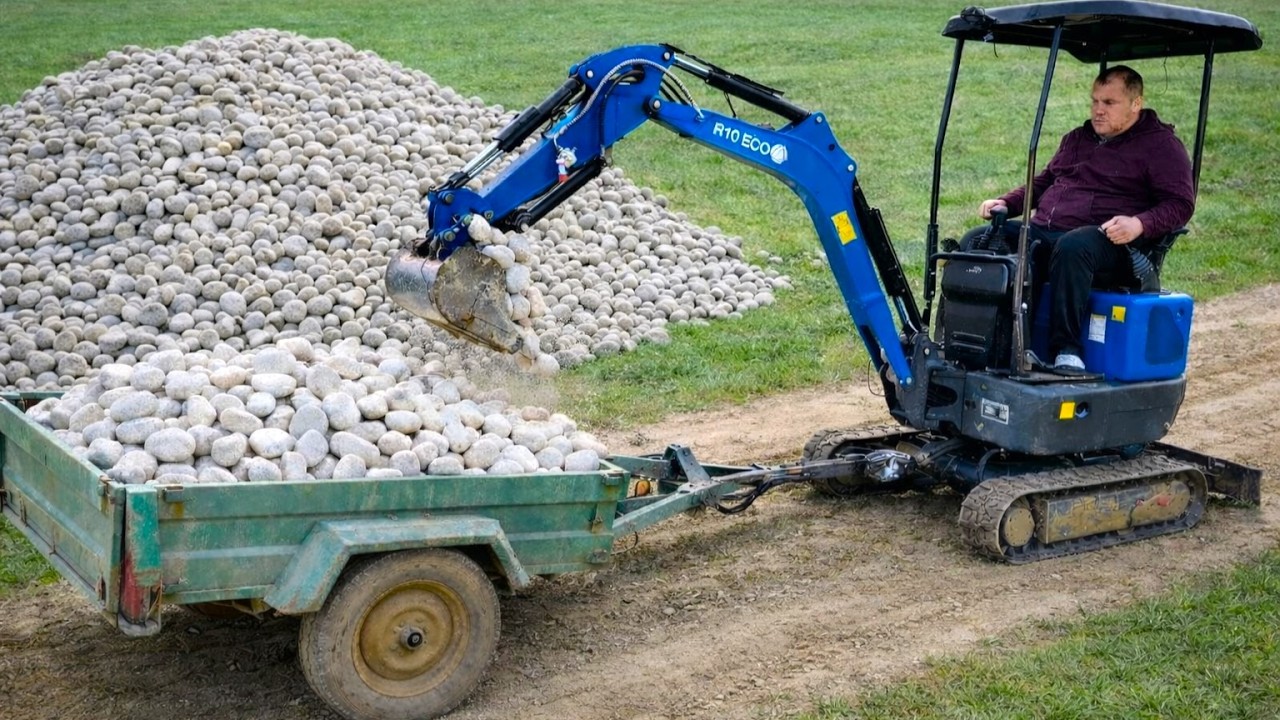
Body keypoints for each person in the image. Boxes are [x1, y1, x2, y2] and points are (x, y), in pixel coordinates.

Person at [967, 65, 1195, 374]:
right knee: (979, 240)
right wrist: (1006, 203)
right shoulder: (1078, 138)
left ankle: (1066, 351)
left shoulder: (1161, 147)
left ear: (1136, 104)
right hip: (1046, 231)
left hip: (1112, 246)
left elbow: (1181, 204)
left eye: (1109, 103)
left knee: (1074, 245)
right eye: (1095, 101)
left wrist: (1138, 224)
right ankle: (979, 342)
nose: (1098, 111)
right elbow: (1045, 181)